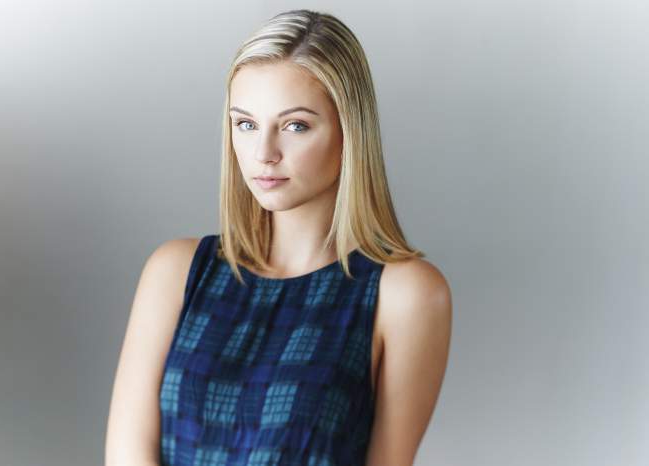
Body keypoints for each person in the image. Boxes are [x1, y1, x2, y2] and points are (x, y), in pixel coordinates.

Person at [106, 9, 452, 466]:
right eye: (246, 124)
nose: (264, 153)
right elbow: (127, 453)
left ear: (350, 131)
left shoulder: (405, 294)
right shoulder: (175, 271)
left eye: (295, 126)